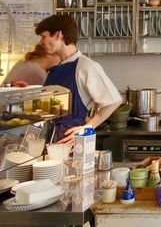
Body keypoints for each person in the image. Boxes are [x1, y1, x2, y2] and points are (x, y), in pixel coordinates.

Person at [35, 14, 122, 143]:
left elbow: (113, 101)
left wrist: (86, 129)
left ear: (59, 35)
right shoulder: (55, 69)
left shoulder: (85, 66)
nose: (40, 42)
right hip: (51, 139)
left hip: (73, 144)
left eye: (43, 37)